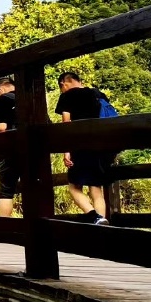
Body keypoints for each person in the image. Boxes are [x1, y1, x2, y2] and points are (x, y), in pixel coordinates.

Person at [54, 71, 112, 224]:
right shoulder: (98, 94)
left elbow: (66, 125)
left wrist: (67, 151)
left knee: (74, 187)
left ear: (64, 84)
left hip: (80, 145)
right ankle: (101, 228)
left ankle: (94, 216)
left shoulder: (67, 96)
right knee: (96, 188)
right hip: (101, 145)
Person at [0, 77, 20, 216]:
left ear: (0, 89)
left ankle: (6, 229)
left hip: (13, 148)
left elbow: (2, 128)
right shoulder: (28, 97)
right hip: (35, 149)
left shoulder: (2, 100)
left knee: (7, 190)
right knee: (34, 186)